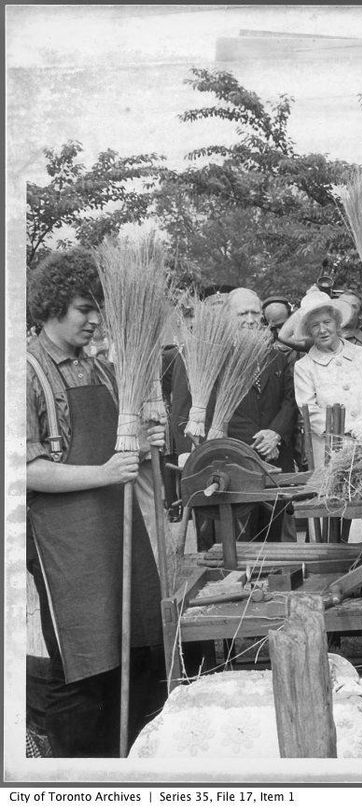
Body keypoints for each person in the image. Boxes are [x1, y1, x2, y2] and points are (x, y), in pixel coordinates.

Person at [26, 249, 168, 756]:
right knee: (82, 666)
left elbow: (120, 448)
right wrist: (104, 472)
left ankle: (126, 767)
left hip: (115, 527)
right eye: (84, 309)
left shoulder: (102, 370)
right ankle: (74, 778)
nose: (94, 320)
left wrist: (144, 443)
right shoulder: (26, 373)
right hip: (64, 541)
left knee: (136, 650)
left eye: (97, 310)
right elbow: (22, 470)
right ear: (51, 305)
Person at [168, 288, 298, 545]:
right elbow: (182, 413)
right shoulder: (203, 356)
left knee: (272, 543)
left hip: (273, 461)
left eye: (255, 312)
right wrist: (194, 457)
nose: (250, 319)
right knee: (228, 545)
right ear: (226, 316)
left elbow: (289, 401)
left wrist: (276, 433)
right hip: (226, 467)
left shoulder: (274, 354)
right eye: (242, 313)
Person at [292, 289, 362, 467]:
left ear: (337, 323)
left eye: (327, 322)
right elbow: (310, 413)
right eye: (315, 325)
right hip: (328, 452)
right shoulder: (304, 367)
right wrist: (346, 431)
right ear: (308, 330)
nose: (322, 330)